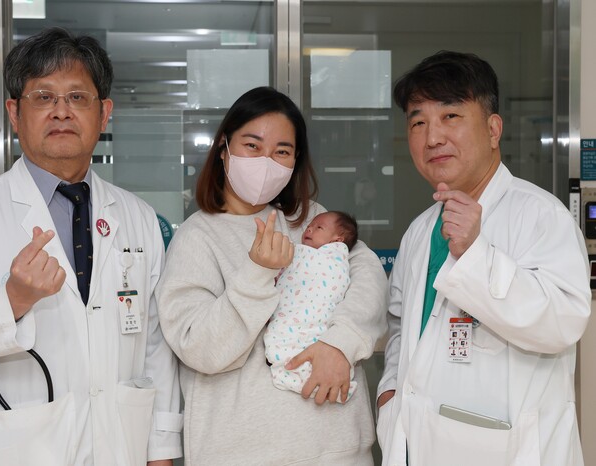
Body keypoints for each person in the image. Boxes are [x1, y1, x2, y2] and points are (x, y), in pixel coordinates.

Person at [0, 27, 182, 466]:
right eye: (43, 97)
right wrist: (10, 301)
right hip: (11, 451)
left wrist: (161, 451)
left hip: (119, 449)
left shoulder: (138, 218)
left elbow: (155, 346)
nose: (61, 111)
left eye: (78, 97)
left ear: (104, 113)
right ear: (15, 113)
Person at [375, 50, 591, 466]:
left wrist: (477, 255)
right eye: (418, 122)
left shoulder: (540, 216)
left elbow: (564, 322)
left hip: (509, 451)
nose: (432, 137)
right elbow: (401, 324)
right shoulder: (420, 230)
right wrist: (390, 393)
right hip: (416, 444)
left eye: (450, 116)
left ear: (493, 130)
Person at [156, 86, 388, 465]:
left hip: (337, 449)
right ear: (223, 147)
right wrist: (257, 274)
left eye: (282, 151)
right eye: (252, 145)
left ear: (296, 160)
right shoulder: (196, 237)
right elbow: (200, 348)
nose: (266, 162)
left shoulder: (314, 221)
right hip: (242, 455)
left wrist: (340, 343)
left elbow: (370, 280)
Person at [264, 210, 359, 401]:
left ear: (337, 240)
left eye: (319, 227)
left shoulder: (335, 262)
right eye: (309, 226)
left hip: (316, 318)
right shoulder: (298, 253)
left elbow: (336, 289)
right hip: (295, 310)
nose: (309, 229)